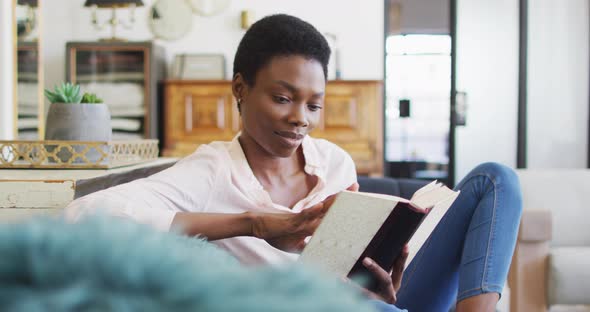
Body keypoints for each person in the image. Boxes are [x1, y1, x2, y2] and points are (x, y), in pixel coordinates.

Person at [65, 14, 522, 312]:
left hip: (380, 305)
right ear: (241, 89)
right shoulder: (210, 171)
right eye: (283, 98)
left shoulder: (334, 163)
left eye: (313, 105)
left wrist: (384, 286)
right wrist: (254, 224)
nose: (299, 119)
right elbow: (82, 214)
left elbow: (356, 282)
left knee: (495, 180)